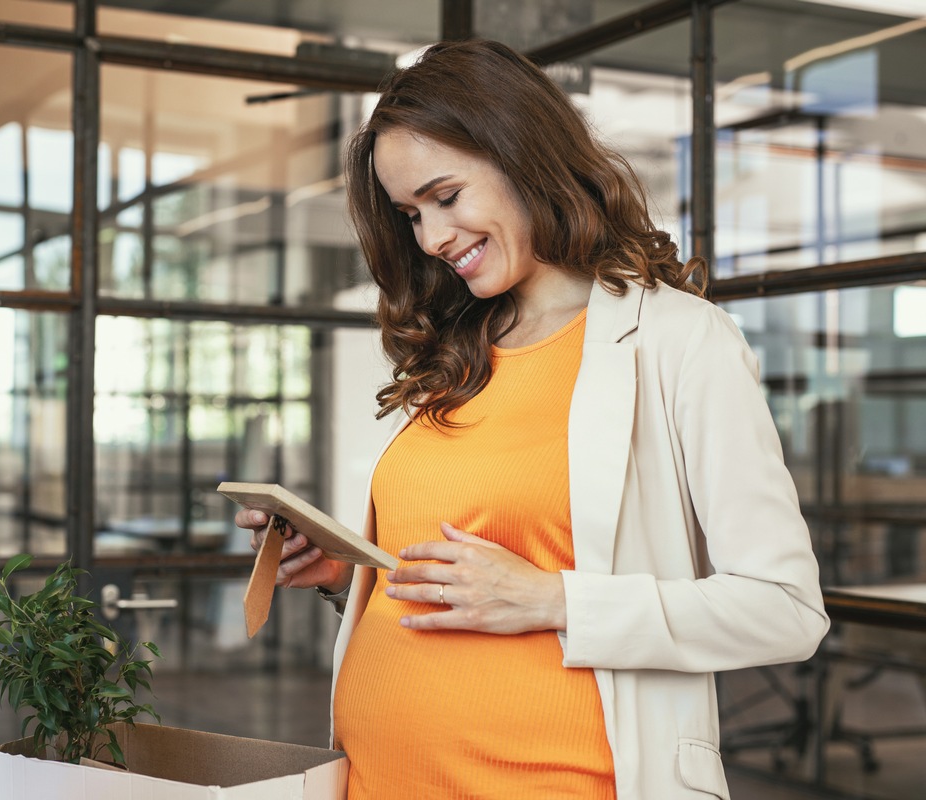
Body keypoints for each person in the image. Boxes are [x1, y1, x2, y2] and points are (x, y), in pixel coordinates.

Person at [235, 39, 828, 800]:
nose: (433, 238)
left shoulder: (680, 341)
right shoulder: (457, 350)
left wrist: (556, 600)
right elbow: (466, 571)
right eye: (412, 214)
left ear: (523, 156)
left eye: (447, 197)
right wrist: (349, 571)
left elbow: (784, 609)